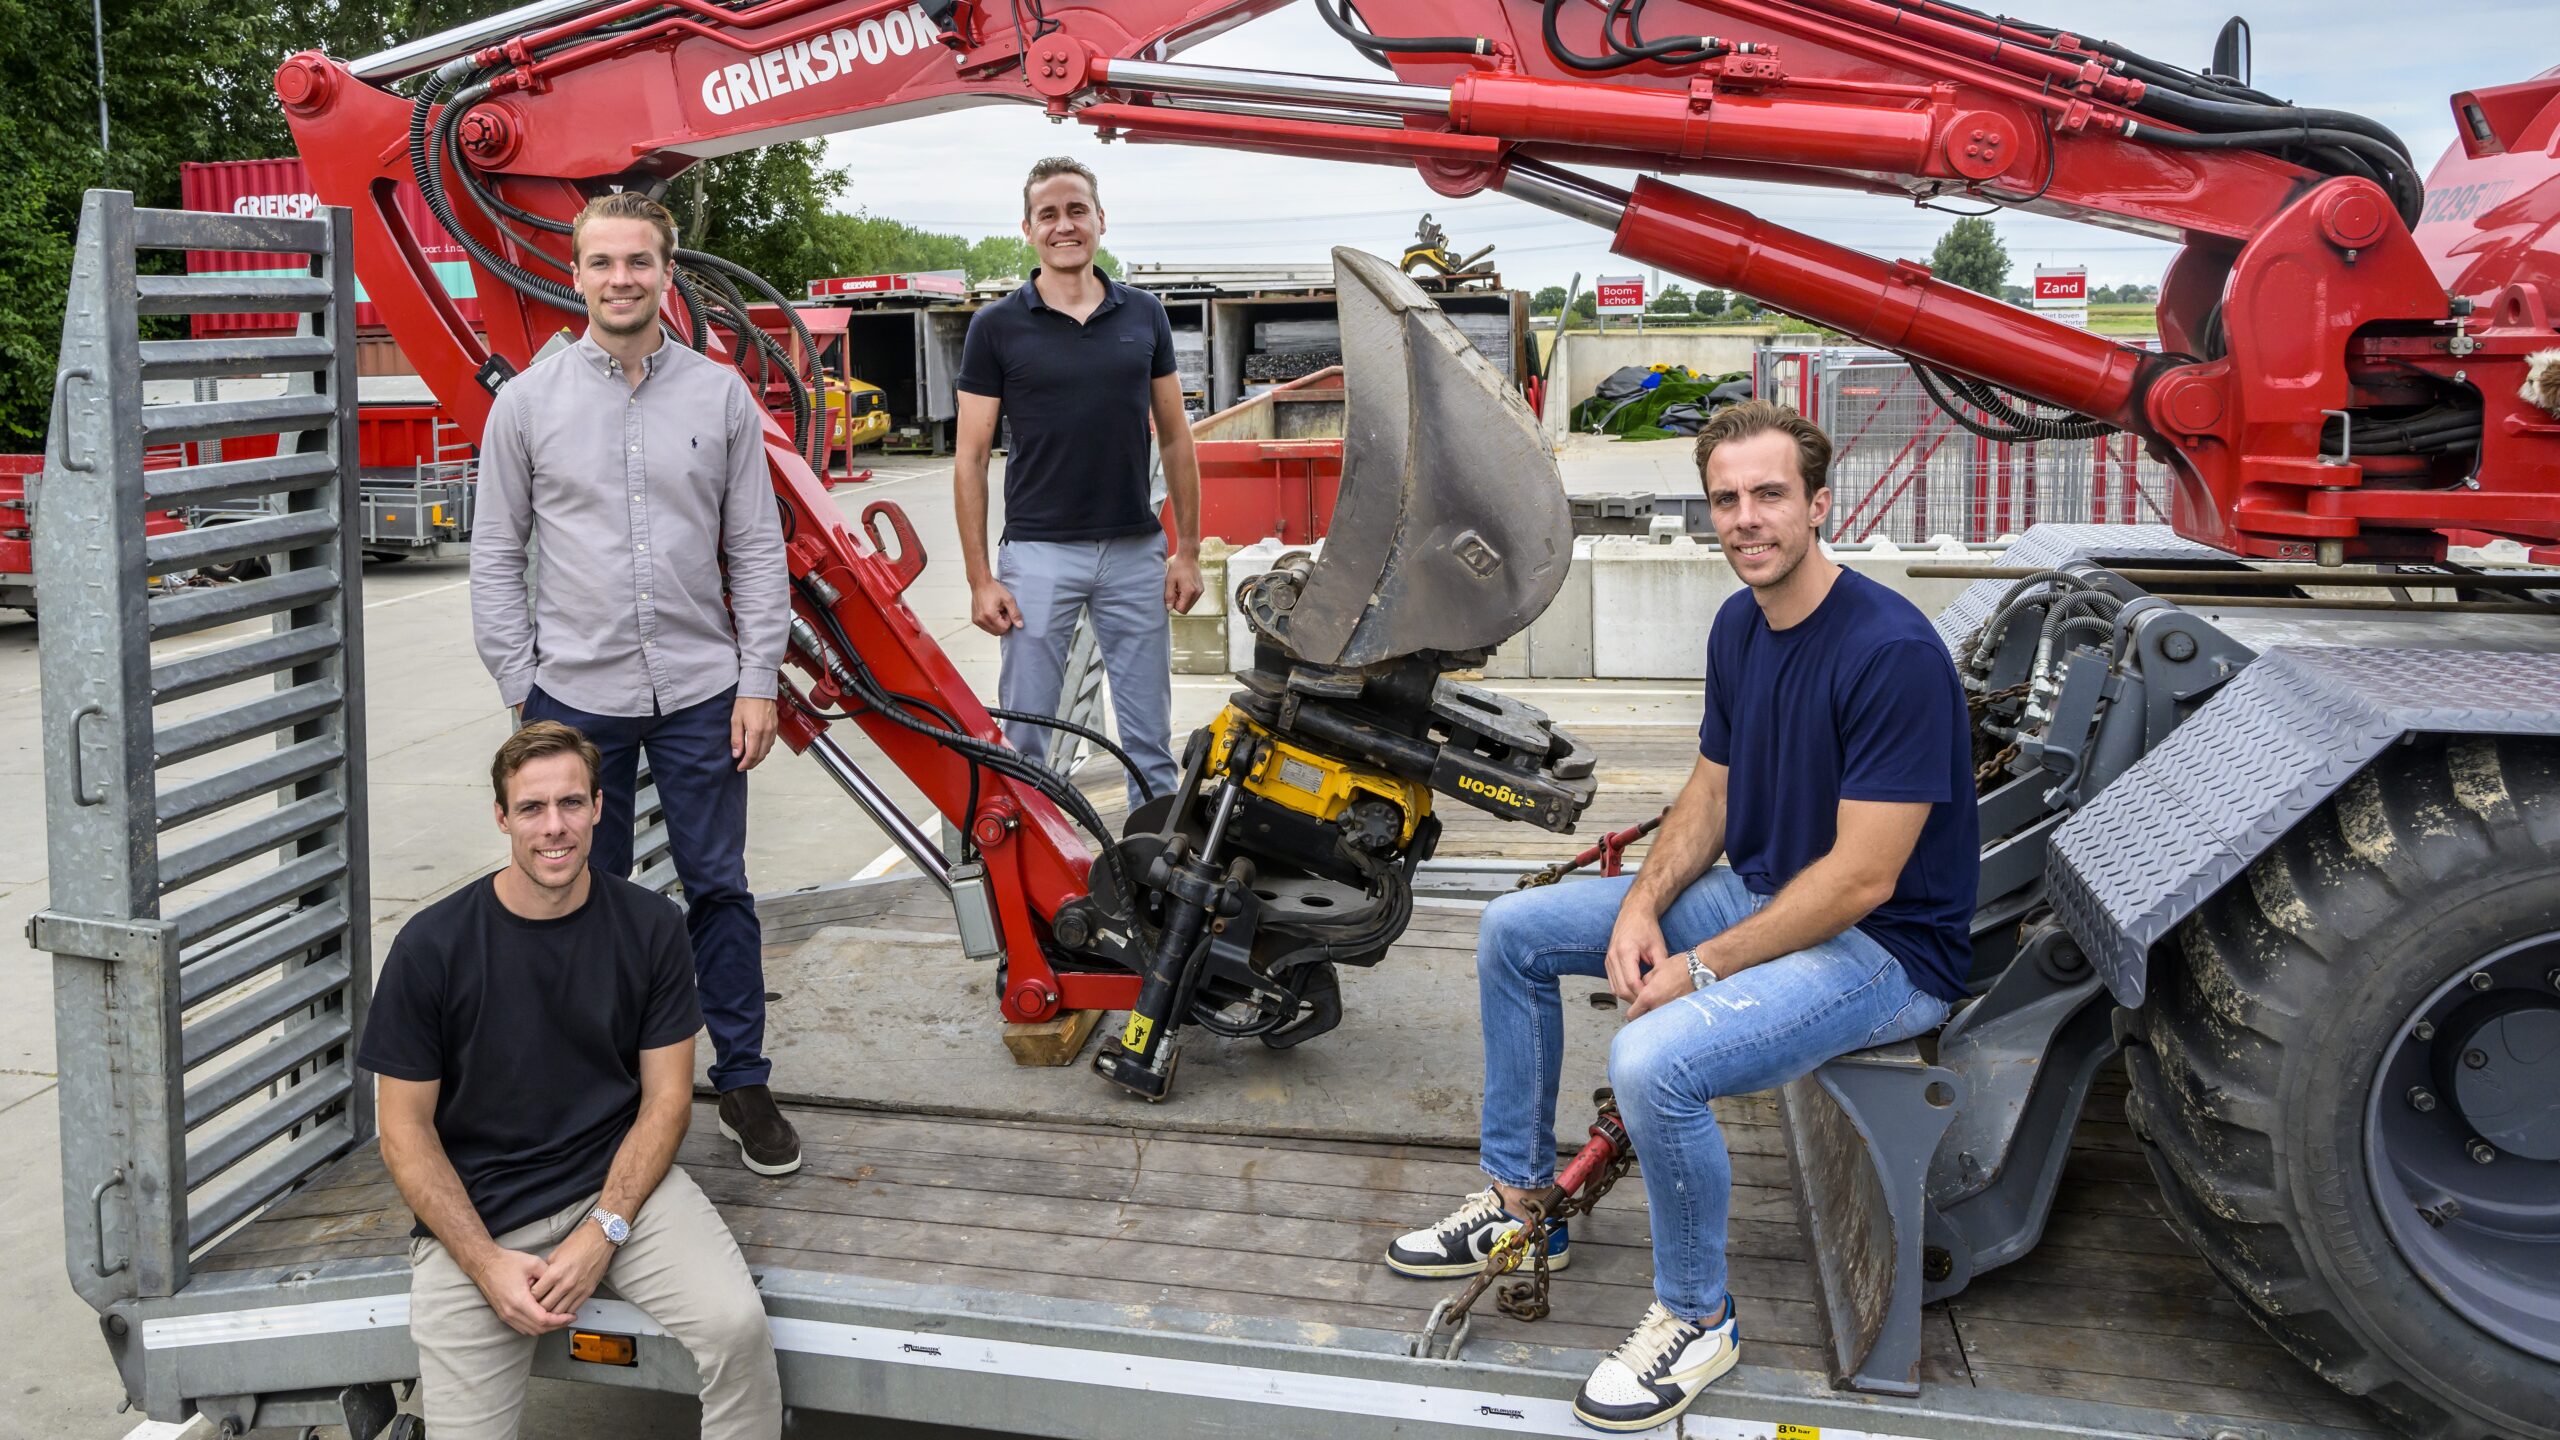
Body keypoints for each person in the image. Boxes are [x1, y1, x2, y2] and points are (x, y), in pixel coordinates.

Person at [1382, 401, 1979, 1432]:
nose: (1745, 519)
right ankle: (1526, 1206)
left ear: (1818, 504)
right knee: (1512, 933)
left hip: (1883, 949)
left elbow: (1861, 882)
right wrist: (1644, 908)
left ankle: (1697, 1318)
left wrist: (1699, 969)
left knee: (1656, 1061)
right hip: (1763, 890)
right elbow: (1709, 793)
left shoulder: (1891, 653)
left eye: (1768, 495)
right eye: (1725, 500)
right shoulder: (1741, 625)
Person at [470, 190, 799, 1176]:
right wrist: (521, 694)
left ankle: (740, 1080)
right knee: (582, 897)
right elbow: (494, 556)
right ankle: (602, 1091)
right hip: (573, 699)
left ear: (668, 274)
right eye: (603, 263)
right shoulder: (526, 405)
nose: (621, 280)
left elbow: (755, 546)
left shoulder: (719, 395)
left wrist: (758, 680)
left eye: (639, 263)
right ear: (574, 275)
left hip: (703, 689)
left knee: (718, 890)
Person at [359, 722, 783, 1439]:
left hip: (619, 1188)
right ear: (501, 817)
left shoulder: (651, 926)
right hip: (480, 1213)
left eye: (570, 804)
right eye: (531, 808)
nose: (553, 827)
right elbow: (403, 1133)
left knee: (738, 1331)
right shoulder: (431, 947)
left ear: (598, 808)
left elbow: (667, 1101)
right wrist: (486, 1264)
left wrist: (603, 1230)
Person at [954, 155, 1205, 810]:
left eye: (1076, 211)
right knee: (1028, 735)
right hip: (1038, 555)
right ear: (1028, 228)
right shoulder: (997, 326)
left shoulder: (1143, 315)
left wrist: (1188, 550)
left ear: (1099, 220)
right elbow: (971, 457)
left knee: (1149, 738)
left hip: (1134, 553)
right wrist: (982, 578)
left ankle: (1158, 875)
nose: (1064, 225)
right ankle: (1030, 873)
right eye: (1049, 214)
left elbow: (1176, 436)